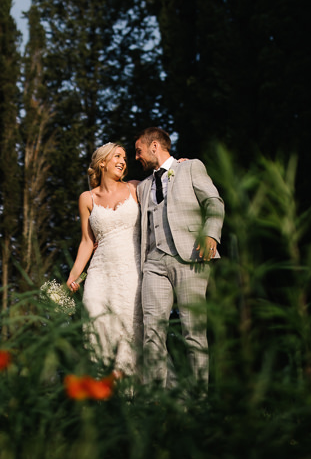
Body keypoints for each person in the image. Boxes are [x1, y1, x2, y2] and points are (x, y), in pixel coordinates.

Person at [134, 127, 224, 388]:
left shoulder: (190, 167)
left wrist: (211, 234)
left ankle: (198, 402)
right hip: (153, 263)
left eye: (138, 151)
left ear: (154, 146)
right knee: (151, 333)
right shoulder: (142, 187)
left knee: (193, 332)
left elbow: (214, 202)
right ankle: (156, 400)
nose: (136, 157)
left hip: (191, 256)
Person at [66, 143, 142, 376]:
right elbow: (87, 242)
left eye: (125, 158)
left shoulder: (135, 189)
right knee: (98, 330)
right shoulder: (87, 198)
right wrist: (73, 275)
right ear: (102, 163)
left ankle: (129, 396)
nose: (123, 161)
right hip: (99, 276)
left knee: (129, 331)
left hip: (131, 273)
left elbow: (164, 184)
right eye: (117, 156)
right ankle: (103, 395)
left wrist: (177, 167)